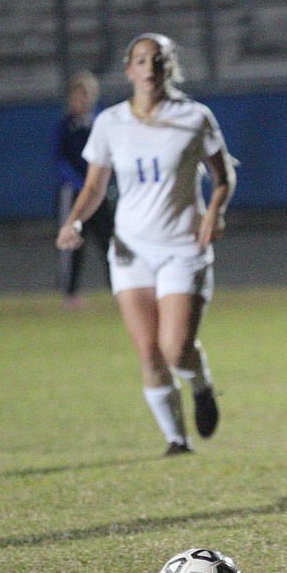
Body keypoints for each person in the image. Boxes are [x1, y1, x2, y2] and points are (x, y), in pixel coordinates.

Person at [56, 33, 235, 455]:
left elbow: (224, 175)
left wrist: (215, 212)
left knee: (176, 349)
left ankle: (201, 385)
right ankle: (177, 439)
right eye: (141, 60)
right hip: (131, 248)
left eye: (158, 60)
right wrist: (74, 222)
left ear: (170, 67)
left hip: (182, 246)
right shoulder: (110, 122)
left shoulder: (195, 117)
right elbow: (96, 185)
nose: (149, 68)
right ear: (128, 70)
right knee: (148, 352)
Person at [55, 71, 115, 308]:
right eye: (77, 95)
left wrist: (105, 183)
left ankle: (119, 289)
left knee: (109, 242)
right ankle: (69, 294)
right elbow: (59, 159)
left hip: (100, 193)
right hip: (75, 192)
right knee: (73, 242)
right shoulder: (65, 126)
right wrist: (81, 183)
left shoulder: (101, 122)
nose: (82, 100)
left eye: (86, 95)